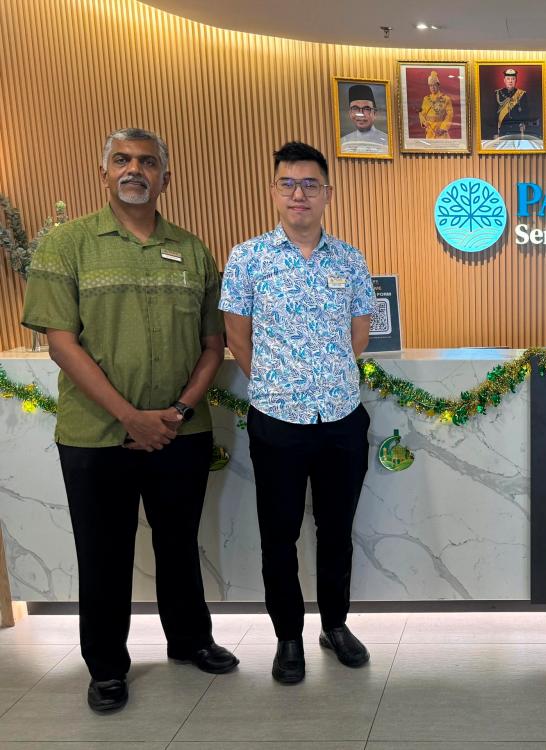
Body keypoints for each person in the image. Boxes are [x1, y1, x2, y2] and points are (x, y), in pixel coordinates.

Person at [20, 127, 237, 713]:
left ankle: (190, 640)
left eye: (147, 162)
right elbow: (62, 345)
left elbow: (212, 346)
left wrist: (179, 411)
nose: (134, 170)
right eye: (122, 160)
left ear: (166, 176)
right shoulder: (68, 245)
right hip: (96, 435)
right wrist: (130, 418)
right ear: (104, 172)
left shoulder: (192, 250)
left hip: (180, 432)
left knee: (178, 544)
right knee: (104, 551)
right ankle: (107, 666)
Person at [220, 141, 374, 685]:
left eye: (310, 184)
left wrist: (327, 375)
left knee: (336, 531)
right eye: (288, 183)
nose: (299, 194)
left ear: (328, 194)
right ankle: (288, 636)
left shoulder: (350, 259)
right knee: (278, 534)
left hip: (340, 421)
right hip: (277, 423)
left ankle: (335, 626)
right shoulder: (248, 258)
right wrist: (277, 381)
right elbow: (236, 336)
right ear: (273, 191)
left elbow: (360, 331)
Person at [340, 84, 389, 150]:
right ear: (350, 113)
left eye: (366, 109)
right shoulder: (343, 142)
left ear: (374, 113)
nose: (361, 113)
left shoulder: (388, 142)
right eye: (355, 108)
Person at [494, 68, 536, 138]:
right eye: (508, 79)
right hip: (502, 129)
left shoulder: (522, 94)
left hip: (517, 130)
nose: (510, 81)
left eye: (513, 79)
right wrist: (494, 132)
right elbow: (493, 114)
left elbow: (526, 113)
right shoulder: (497, 93)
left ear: (516, 80)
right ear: (504, 80)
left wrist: (524, 126)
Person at [418, 70, 454, 139]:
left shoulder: (446, 99)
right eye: (431, 86)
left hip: (440, 130)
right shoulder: (426, 99)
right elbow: (421, 113)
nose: (432, 88)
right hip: (429, 130)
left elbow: (450, 115)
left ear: (438, 85)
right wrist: (424, 122)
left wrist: (443, 128)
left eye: (434, 85)